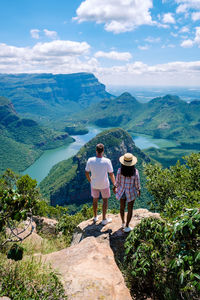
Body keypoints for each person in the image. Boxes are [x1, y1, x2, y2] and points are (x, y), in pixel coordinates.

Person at [85, 143, 116, 225]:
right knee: (105, 201)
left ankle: (95, 217)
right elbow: (111, 174)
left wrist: (90, 180)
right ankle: (104, 219)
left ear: (96, 151)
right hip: (104, 185)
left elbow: (86, 172)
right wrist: (115, 184)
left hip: (94, 184)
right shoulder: (107, 161)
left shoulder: (90, 160)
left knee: (95, 200)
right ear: (103, 151)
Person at [113, 153, 141, 233]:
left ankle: (122, 222)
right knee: (130, 209)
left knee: (122, 208)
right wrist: (139, 190)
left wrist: (114, 187)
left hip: (121, 192)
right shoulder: (135, 172)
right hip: (131, 193)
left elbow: (117, 182)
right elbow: (137, 184)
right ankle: (127, 226)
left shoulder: (119, 170)